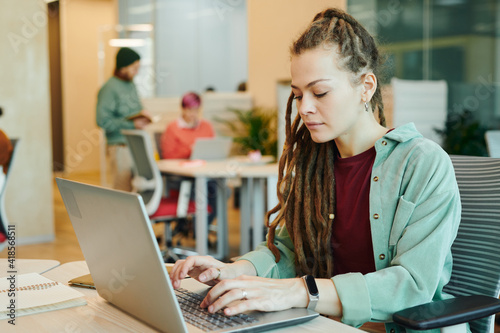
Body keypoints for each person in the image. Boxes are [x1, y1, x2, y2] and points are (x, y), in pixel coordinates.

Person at [169, 8, 461, 332]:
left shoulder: (424, 164)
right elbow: (288, 250)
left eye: (319, 92)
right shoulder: (314, 166)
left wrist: (299, 291)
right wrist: (236, 271)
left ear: (366, 87)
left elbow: (412, 285)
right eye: (297, 95)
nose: (305, 107)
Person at [96, 47, 151, 191]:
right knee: (123, 189)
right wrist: (132, 124)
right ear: (123, 67)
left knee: (140, 189)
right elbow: (102, 120)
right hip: (120, 146)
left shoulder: (131, 84)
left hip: (137, 143)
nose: (136, 72)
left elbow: (134, 109)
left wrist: (142, 115)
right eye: (134, 68)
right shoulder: (109, 89)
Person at [160, 91, 215, 159]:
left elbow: (213, 150)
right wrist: (190, 150)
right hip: (180, 166)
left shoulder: (207, 126)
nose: (193, 114)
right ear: (183, 109)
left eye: (196, 110)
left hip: (204, 165)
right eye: (189, 110)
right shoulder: (172, 127)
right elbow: (168, 156)